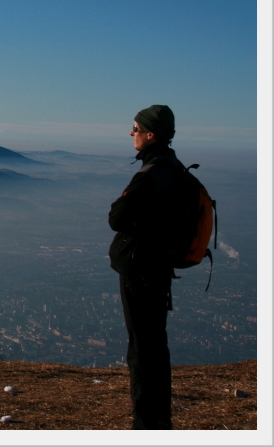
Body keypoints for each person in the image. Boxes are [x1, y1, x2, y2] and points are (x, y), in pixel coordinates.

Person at [108, 104, 184, 430]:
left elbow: (118, 216)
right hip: (158, 267)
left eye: (135, 128)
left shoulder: (153, 173)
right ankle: (158, 420)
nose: (131, 133)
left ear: (150, 134)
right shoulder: (172, 167)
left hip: (142, 270)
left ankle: (147, 425)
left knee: (142, 349)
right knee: (153, 345)